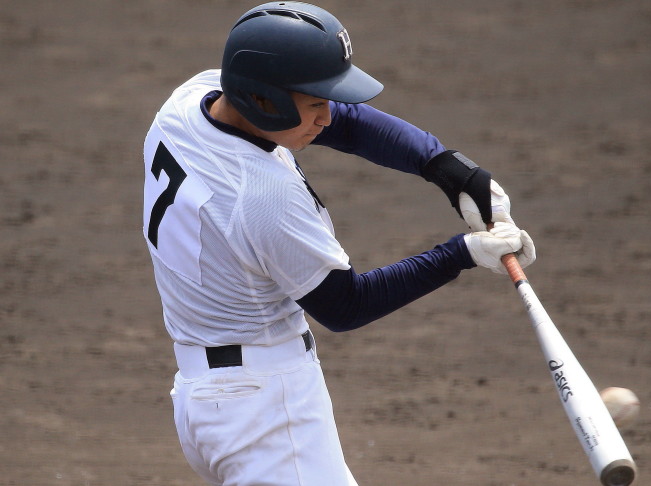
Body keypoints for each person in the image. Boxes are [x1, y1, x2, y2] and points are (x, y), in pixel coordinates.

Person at [142, 2, 535, 485]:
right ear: (264, 101)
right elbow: (346, 305)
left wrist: (447, 168)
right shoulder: (263, 195)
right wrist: (461, 254)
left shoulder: (187, 104)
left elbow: (347, 122)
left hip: (204, 398)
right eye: (315, 105)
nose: (328, 117)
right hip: (265, 415)